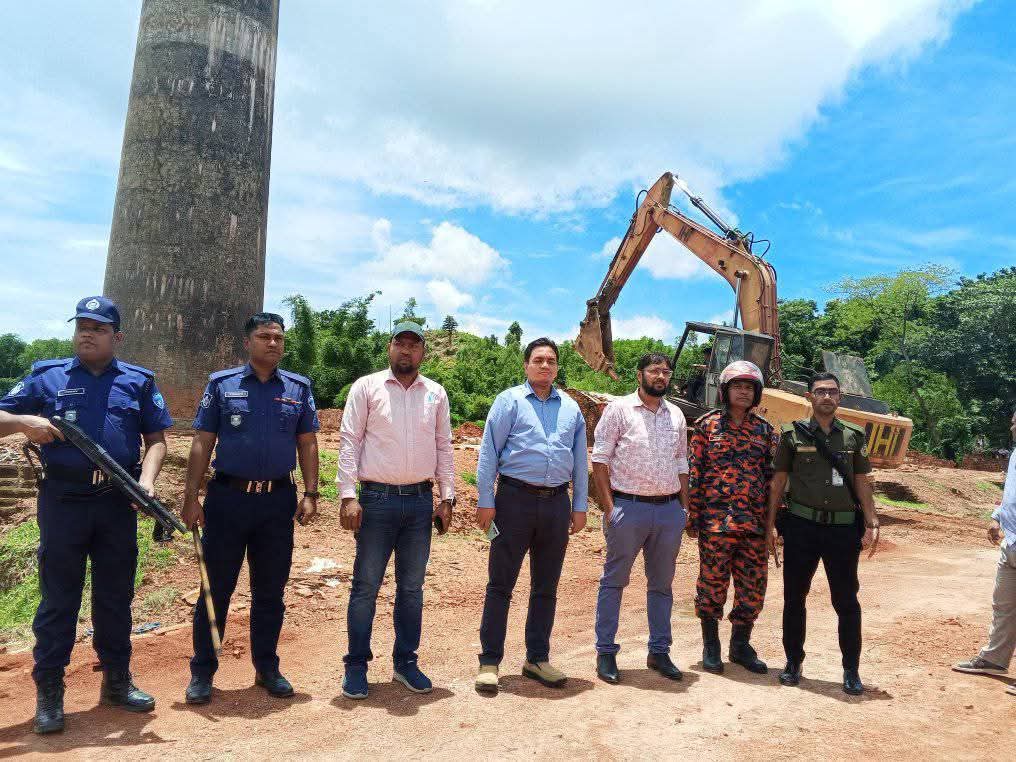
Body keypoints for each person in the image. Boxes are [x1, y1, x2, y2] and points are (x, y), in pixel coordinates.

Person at [0, 296, 173, 734]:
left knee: (115, 596)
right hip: (63, 502)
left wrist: (147, 481)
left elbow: (156, 440)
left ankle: (116, 680)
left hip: (117, 501)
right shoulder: (47, 376)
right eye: (82, 326)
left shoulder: (137, 381)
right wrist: (24, 422)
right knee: (59, 599)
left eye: (98, 328)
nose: (87, 334)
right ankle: (50, 690)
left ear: (117, 336)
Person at [181, 313, 320, 705]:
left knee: (270, 591)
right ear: (248, 342)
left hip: (277, 502)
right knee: (216, 589)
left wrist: (311, 493)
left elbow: (308, 442)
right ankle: (203, 671)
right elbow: (202, 441)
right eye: (264, 336)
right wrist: (190, 498)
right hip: (228, 500)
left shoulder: (298, 388)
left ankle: (267, 667)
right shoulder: (222, 385)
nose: (272, 343)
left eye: (278, 337)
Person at [337, 322, 454, 700]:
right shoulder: (367, 387)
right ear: (389, 348)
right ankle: (356, 666)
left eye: (413, 345)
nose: (406, 350)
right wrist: (347, 495)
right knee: (365, 587)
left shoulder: (435, 393)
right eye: (400, 343)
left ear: (423, 353)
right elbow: (350, 441)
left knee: (412, 589)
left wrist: (447, 498)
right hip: (376, 501)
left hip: (420, 504)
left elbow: (444, 446)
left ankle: (405, 662)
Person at [474, 337, 588, 694]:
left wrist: (580, 506)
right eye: (538, 360)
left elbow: (580, 460)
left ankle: (537, 659)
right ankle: (490, 661)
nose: (545, 365)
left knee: (546, 586)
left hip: (556, 504)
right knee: (500, 584)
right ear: (526, 365)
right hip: (513, 501)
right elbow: (489, 452)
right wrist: (485, 499)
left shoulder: (571, 408)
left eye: (551, 360)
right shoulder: (509, 401)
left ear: (557, 367)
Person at [764, 372, 880, 696]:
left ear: (839, 398)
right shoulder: (791, 434)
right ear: (810, 397)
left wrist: (871, 520)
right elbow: (778, 482)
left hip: (842, 529)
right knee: (794, 598)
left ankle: (851, 669)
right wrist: (770, 525)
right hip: (802, 527)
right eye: (820, 392)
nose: (826, 397)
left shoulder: (855, 436)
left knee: (846, 600)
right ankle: (793, 662)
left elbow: (862, 481)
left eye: (832, 392)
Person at [591, 352, 689, 685]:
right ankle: (606, 651)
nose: (661, 376)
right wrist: (610, 509)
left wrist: (684, 508)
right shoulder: (619, 409)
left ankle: (659, 651)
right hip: (628, 508)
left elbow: (681, 463)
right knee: (614, 581)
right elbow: (600, 460)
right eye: (654, 370)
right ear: (640, 375)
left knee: (662, 585)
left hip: (668, 510)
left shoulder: (676, 414)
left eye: (666, 372)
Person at [689, 360, 778, 676]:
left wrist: (773, 524)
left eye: (749, 387)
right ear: (725, 390)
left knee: (752, 589)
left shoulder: (766, 431)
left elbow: (774, 480)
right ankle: (711, 646)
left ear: (757, 394)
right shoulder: (707, 426)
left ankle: (740, 646)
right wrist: (693, 516)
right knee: (711, 586)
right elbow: (695, 473)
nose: (743, 392)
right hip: (716, 524)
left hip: (754, 525)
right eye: (737, 386)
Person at [952, 408, 1016, 697]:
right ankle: (994, 659)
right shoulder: (1014, 455)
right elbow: (1010, 494)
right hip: (1010, 543)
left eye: (1015, 423)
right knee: (1003, 606)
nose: (1012, 427)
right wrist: (996, 517)